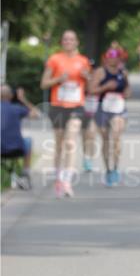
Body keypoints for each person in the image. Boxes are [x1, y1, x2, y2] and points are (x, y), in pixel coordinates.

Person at [40, 30, 91, 197]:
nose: (68, 41)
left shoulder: (83, 61)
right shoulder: (55, 59)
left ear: (77, 42)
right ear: (61, 42)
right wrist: (58, 79)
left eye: (71, 39)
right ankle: (58, 179)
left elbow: (91, 89)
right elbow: (43, 84)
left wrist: (87, 77)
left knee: (70, 142)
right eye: (65, 39)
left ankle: (68, 180)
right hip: (58, 105)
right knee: (60, 144)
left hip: (76, 106)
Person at [88, 48, 131, 186]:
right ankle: (108, 169)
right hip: (103, 109)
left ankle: (116, 168)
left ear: (119, 59)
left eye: (116, 57)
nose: (113, 59)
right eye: (110, 56)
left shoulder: (122, 72)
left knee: (116, 138)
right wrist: (106, 87)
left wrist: (124, 90)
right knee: (106, 140)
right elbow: (91, 90)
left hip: (119, 109)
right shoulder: (100, 72)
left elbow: (128, 92)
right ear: (106, 58)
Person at [1, 85, 40, 189]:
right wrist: (23, 99)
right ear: (11, 96)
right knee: (28, 141)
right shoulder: (17, 108)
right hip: (17, 149)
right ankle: (25, 172)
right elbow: (36, 114)